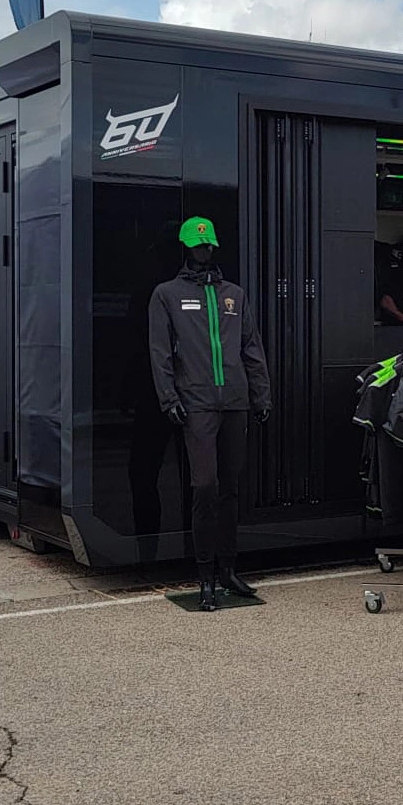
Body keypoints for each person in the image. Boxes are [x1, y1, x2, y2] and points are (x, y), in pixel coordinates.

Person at [149, 216, 272, 612]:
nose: (205, 251)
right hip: (197, 404)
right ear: (186, 248)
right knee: (205, 487)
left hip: (235, 401)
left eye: (210, 246)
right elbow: (160, 351)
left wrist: (261, 394)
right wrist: (168, 397)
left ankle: (228, 570)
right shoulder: (166, 295)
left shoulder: (234, 294)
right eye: (199, 246)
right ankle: (203, 576)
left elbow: (251, 346)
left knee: (231, 490)